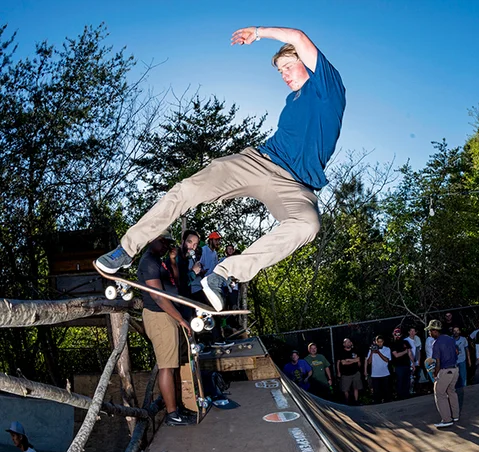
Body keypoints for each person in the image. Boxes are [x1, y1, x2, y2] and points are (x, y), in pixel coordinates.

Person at [96, 26, 347, 314]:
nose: (285, 75)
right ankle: (126, 249)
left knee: (308, 225)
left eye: (289, 66)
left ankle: (224, 274)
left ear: (307, 63)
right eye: (280, 72)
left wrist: (258, 32)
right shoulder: (293, 100)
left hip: (297, 186)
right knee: (188, 189)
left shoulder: (328, 88)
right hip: (259, 161)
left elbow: (298, 38)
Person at [137, 231, 192, 426]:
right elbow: (158, 297)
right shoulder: (148, 262)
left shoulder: (160, 261)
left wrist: (173, 261)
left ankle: (177, 407)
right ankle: (172, 414)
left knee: (173, 365)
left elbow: (174, 283)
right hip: (159, 316)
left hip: (169, 315)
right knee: (166, 366)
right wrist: (181, 320)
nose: (166, 246)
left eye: (168, 243)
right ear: (152, 240)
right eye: (163, 242)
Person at [425, 320, 459, 428]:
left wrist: (435, 375)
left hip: (445, 371)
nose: (429, 333)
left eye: (430, 331)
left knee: (440, 394)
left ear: (435, 331)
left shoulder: (436, 343)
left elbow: (438, 362)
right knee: (451, 391)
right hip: (455, 369)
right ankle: (455, 415)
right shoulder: (450, 339)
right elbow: (457, 352)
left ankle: (447, 419)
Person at [365, 335, 391, 404]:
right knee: (376, 392)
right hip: (375, 374)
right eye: (378, 342)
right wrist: (372, 353)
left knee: (386, 391)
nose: (379, 343)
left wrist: (378, 352)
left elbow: (387, 360)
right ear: (375, 342)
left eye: (381, 342)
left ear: (383, 342)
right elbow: (369, 362)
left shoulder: (387, 349)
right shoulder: (371, 350)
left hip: (385, 373)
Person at [337, 338, 362, 404]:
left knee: (356, 388)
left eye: (349, 342)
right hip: (345, 374)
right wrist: (354, 361)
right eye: (346, 342)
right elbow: (343, 363)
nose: (348, 343)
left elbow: (358, 360)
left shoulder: (355, 350)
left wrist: (349, 360)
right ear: (344, 344)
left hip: (355, 372)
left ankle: (356, 401)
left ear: (351, 343)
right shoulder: (341, 352)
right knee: (345, 389)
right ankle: (347, 401)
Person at [390, 328, 412, 400]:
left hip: (407, 364)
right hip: (398, 366)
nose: (397, 335)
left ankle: (406, 395)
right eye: (396, 334)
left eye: (398, 334)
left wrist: (413, 363)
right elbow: (396, 355)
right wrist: (405, 352)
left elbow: (410, 353)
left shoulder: (405, 342)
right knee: (400, 381)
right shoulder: (393, 344)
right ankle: (400, 396)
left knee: (407, 380)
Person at [404, 326, 422, 392]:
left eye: (414, 331)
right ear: (408, 332)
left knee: (416, 377)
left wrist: (418, 361)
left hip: (417, 361)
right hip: (410, 362)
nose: (412, 332)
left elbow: (419, 350)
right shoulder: (406, 340)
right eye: (411, 331)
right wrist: (412, 362)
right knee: (410, 377)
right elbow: (408, 352)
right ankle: (409, 391)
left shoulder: (418, 339)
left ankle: (416, 390)